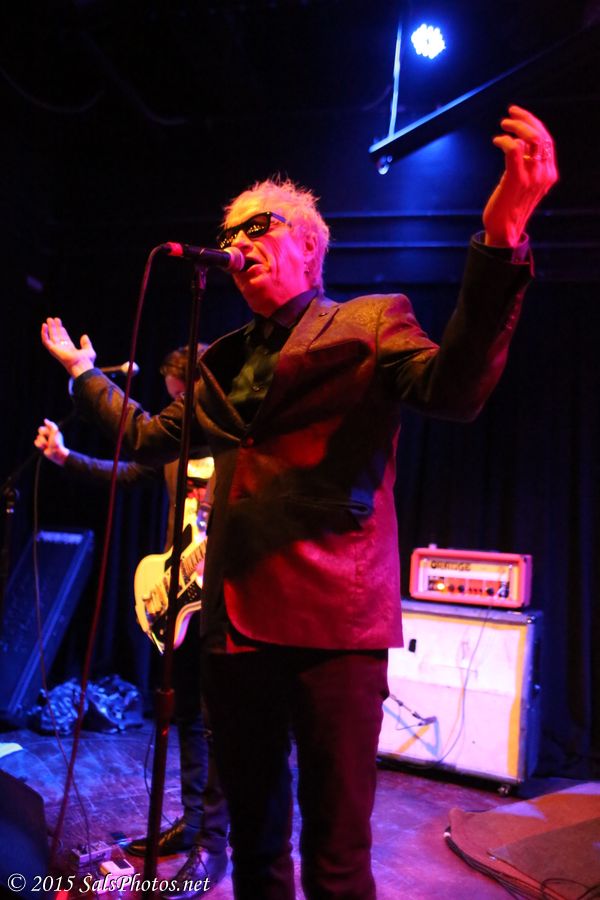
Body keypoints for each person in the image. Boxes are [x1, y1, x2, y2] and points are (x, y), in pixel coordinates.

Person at [41, 105, 557, 899]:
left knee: (337, 856)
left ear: (311, 247)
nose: (240, 243)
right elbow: (146, 437)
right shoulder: (218, 359)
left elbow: (455, 389)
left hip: (334, 626)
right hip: (235, 624)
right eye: (232, 233)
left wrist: (502, 237)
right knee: (255, 845)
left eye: (261, 226)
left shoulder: (370, 320)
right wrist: (83, 373)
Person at [34, 347, 229, 895]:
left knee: (217, 719)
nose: (176, 409)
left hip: (227, 595)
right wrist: (65, 458)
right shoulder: (174, 449)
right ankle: (192, 821)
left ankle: (214, 843)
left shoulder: (237, 447)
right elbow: (127, 472)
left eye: (182, 397)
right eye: (171, 399)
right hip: (181, 595)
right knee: (185, 714)